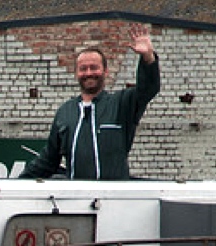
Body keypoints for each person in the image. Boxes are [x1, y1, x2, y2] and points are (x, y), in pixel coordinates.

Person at [20, 24, 160, 180]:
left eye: (94, 68)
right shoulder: (65, 113)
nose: (89, 73)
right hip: (77, 198)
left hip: (116, 198)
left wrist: (148, 57)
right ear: (76, 73)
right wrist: (13, 186)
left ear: (105, 71)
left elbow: (148, 88)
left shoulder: (122, 104)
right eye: (83, 69)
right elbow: (48, 161)